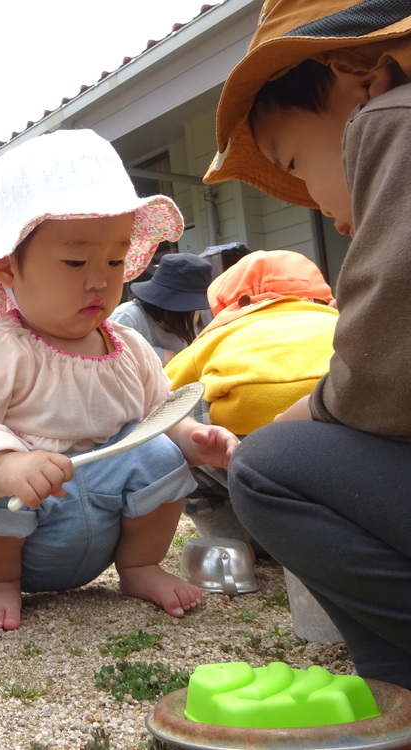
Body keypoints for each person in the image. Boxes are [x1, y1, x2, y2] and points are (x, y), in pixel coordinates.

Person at [0, 130, 238, 631]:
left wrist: (191, 438)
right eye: (75, 261)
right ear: (7, 266)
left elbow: (156, 413)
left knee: (158, 454)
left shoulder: (130, 346)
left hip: (106, 512)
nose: (100, 279)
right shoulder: (1, 345)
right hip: (24, 517)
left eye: (115, 260)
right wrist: (4, 464)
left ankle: (139, 566)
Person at [203, 0, 411, 688]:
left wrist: (303, 416)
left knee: (270, 467)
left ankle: (396, 681)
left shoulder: (392, 118)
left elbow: (386, 370)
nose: (313, 201)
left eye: (295, 161)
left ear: (358, 73)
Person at [164, 250, 337, 543]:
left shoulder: (221, 331)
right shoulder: (333, 317)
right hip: (340, 426)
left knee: (179, 425)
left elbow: (163, 388)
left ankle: (234, 542)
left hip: (247, 445)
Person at [109, 252, 213, 364]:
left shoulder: (188, 322)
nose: (197, 312)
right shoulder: (126, 318)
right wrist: (155, 356)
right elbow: (102, 359)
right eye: (193, 307)